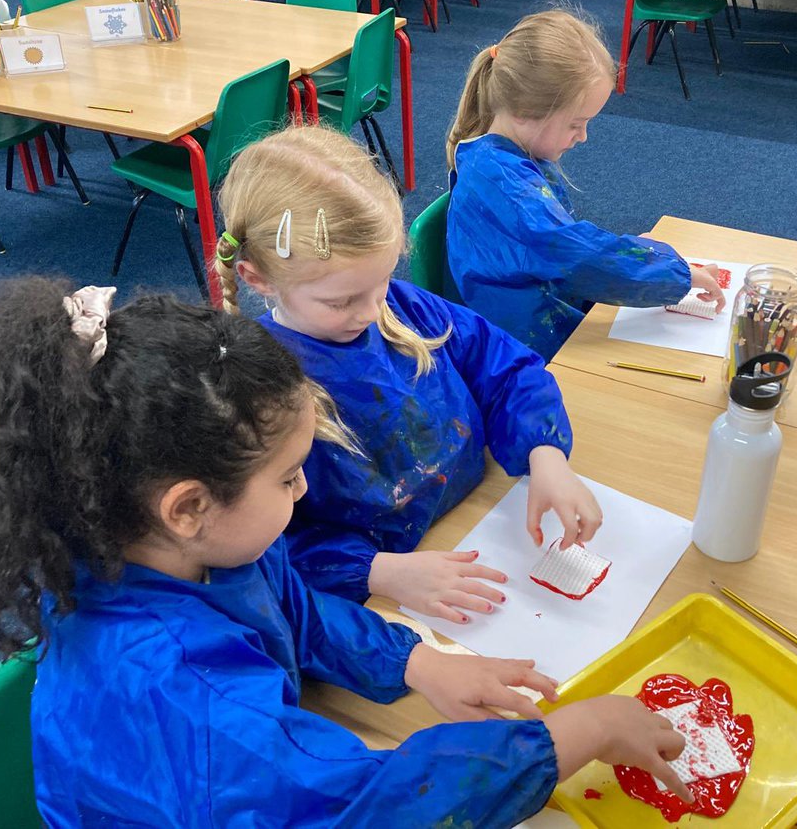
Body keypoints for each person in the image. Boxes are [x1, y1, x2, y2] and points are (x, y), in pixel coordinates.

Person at [0, 276, 693, 826]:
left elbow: (291, 608)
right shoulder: (185, 695)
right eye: (287, 480)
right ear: (187, 506)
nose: (306, 497)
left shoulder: (178, 544)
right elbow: (366, 808)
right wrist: (578, 734)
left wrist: (416, 665)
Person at [215, 124, 602, 624]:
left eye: (381, 282)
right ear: (257, 279)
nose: (370, 310)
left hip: (485, 520)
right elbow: (263, 545)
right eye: (341, 301)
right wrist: (379, 573)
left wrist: (545, 453)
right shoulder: (259, 392)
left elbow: (505, 369)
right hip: (388, 595)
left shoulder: (402, 308)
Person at [445, 9, 725, 361]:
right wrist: (677, 273)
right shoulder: (504, 185)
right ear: (523, 112)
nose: (583, 137)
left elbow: (566, 240)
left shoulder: (503, 157)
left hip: (535, 316)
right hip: (523, 354)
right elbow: (572, 253)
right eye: (575, 124)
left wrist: (640, 252)